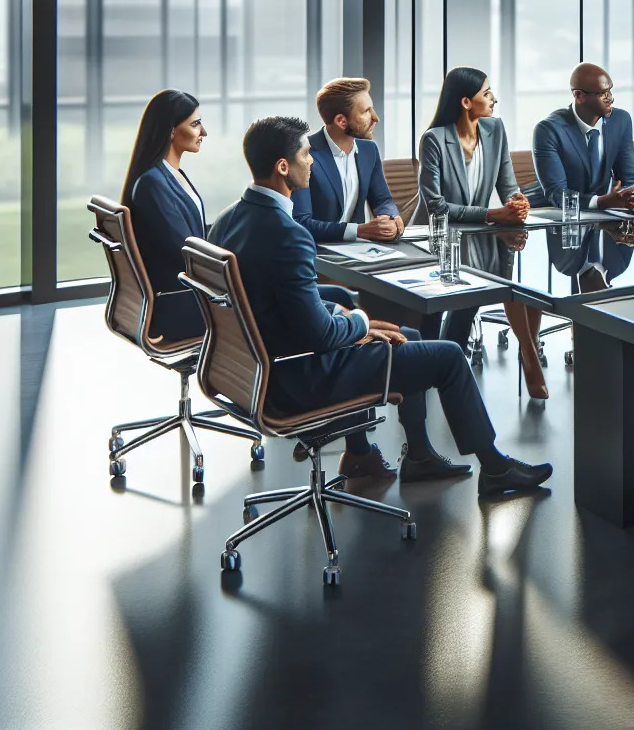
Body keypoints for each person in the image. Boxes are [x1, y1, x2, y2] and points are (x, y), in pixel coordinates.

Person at [209, 116, 551, 494]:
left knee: (407, 335)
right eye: (305, 155)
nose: (312, 161)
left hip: (253, 371)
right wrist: (358, 321)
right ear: (282, 167)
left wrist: (345, 314)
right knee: (449, 356)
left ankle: (412, 455)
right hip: (297, 378)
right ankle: (496, 470)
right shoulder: (289, 236)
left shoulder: (227, 220)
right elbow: (320, 335)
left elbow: (272, 297)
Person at [417, 66, 551, 399]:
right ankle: (430, 372)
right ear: (465, 102)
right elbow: (436, 206)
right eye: (486, 93)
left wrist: (517, 202)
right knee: (449, 304)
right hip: (440, 239)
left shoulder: (494, 130)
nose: (494, 99)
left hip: (482, 237)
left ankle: (454, 367)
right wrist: (492, 214)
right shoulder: (434, 140)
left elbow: (508, 185)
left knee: (492, 289)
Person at [120, 89, 212, 343]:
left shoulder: (168, 174)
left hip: (186, 296)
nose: (203, 132)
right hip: (180, 307)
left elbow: (189, 232)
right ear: (171, 131)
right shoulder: (152, 184)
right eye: (195, 124)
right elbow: (185, 252)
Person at [292, 77, 406, 245]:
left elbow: (382, 200)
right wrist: (359, 230)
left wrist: (389, 217)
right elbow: (301, 223)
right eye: (366, 111)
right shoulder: (303, 155)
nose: (375, 118)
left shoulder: (369, 150)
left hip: (360, 250)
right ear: (341, 121)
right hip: (318, 252)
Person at [533, 62, 634, 213]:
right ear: (579, 95)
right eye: (602, 94)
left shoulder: (620, 120)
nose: (610, 98)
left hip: (603, 214)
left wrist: (630, 196)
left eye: (610, 91)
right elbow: (557, 193)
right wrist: (602, 202)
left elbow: (630, 179)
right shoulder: (548, 130)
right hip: (553, 213)